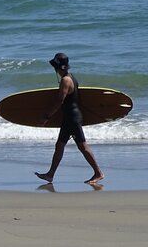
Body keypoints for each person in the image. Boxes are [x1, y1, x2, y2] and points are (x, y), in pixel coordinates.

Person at [35, 53, 105, 185]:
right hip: (69, 118)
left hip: (72, 118)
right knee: (59, 146)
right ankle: (50, 174)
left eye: (55, 67)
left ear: (59, 67)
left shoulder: (66, 80)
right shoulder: (70, 77)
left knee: (83, 146)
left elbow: (59, 101)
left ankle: (98, 172)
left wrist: (46, 117)